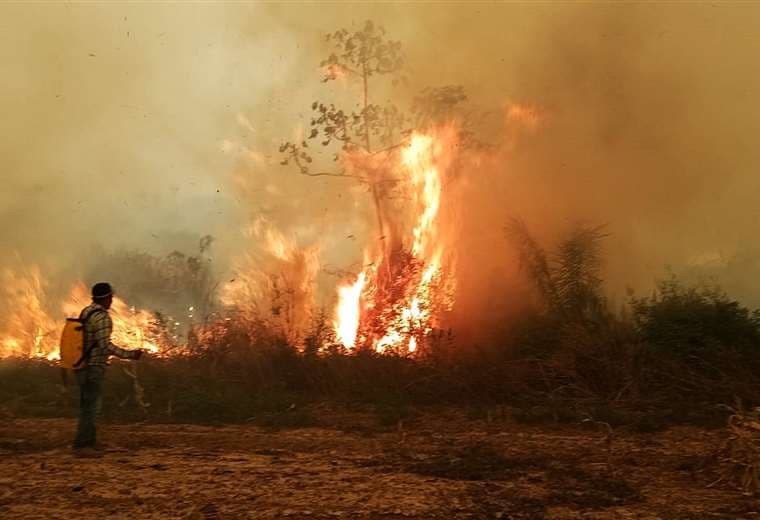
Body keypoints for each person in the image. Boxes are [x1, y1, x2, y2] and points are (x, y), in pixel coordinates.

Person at [72, 282, 144, 458]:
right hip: (94, 367)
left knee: (86, 405)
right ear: (105, 298)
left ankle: (88, 441)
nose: (112, 301)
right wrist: (129, 354)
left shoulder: (86, 312)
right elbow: (105, 346)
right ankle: (83, 446)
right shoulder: (103, 317)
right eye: (110, 297)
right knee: (92, 407)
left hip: (81, 365)